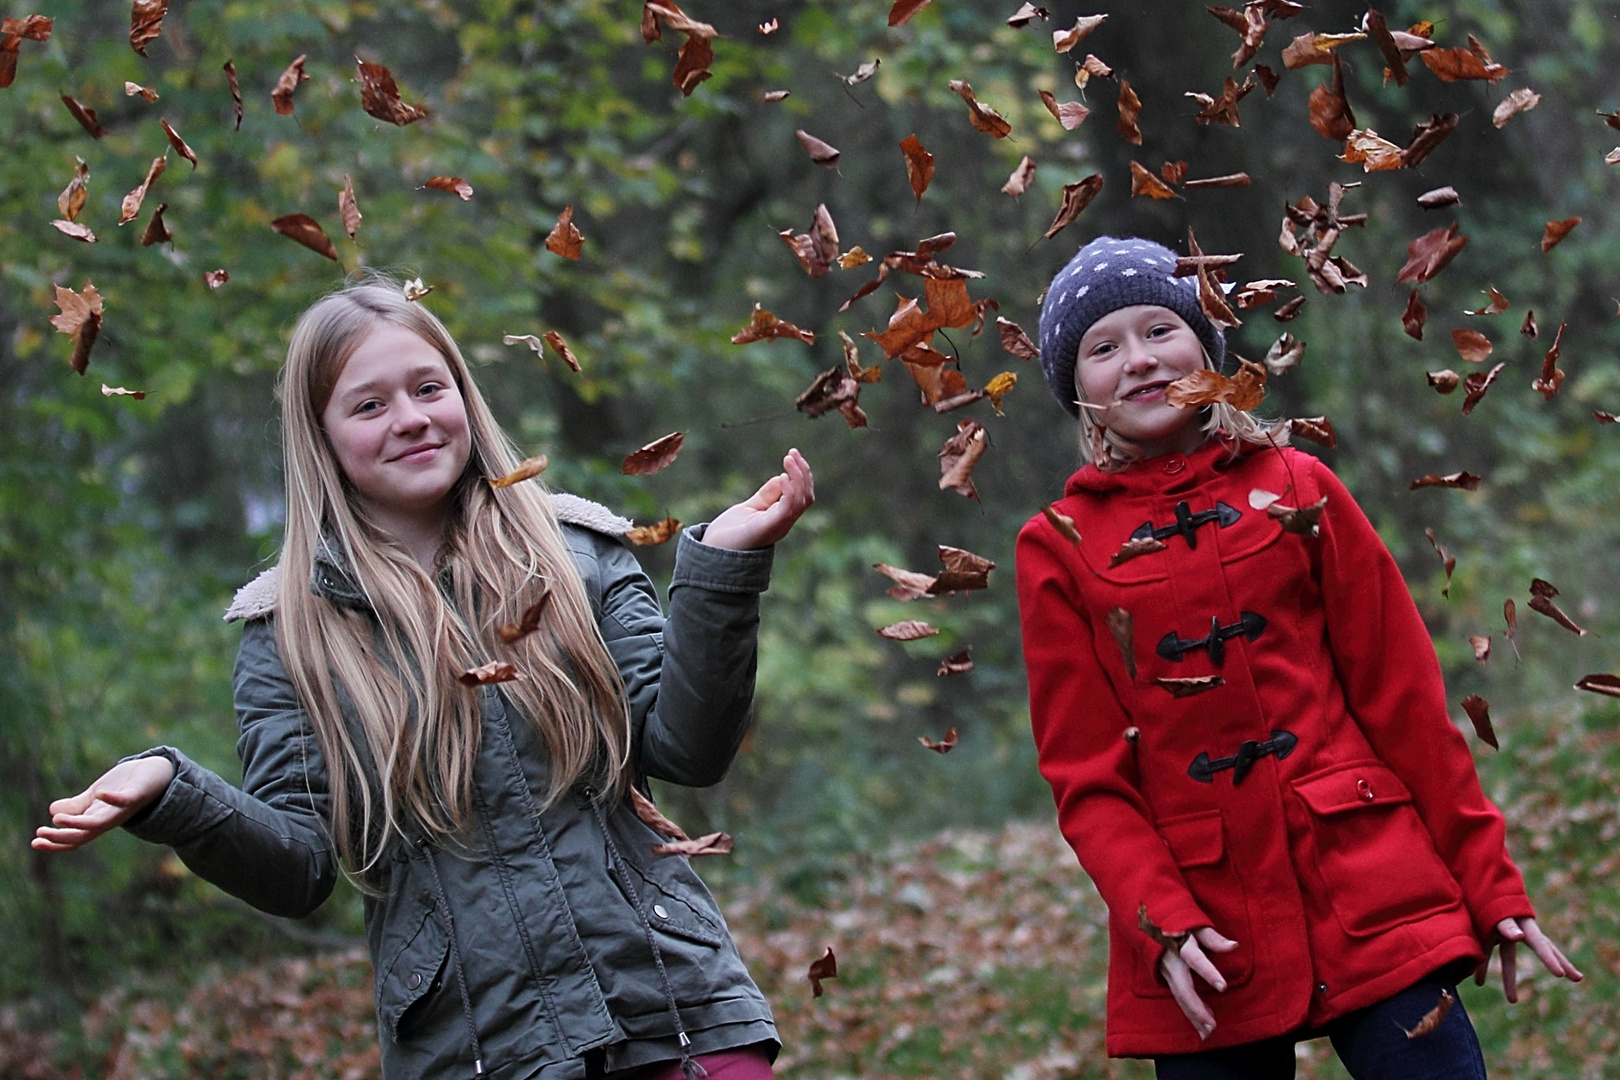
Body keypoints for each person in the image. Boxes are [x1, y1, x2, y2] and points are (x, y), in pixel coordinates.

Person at [33, 278, 815, 1080]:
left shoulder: (578, 554)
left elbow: (687, 747)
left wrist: (723, 567)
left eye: (428, 388)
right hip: (478, 1051)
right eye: (368, 406)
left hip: (675, 1017)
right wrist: (171, 791)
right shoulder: (288, 637)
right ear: (323, 438)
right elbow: (300, 866)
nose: (409, 417)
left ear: (463, 399)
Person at [1014, 236, 1581, 1080]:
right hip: (1202, 926)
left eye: (1159, 330)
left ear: (1205, 347)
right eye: (1103, 347)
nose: (1137, 361)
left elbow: (1407, 706)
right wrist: (1157, 916)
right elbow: (1087, 778)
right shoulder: (1057, 548)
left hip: (1370, 882)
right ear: (1077, 390)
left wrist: (1490, 883)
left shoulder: (1298, 483)